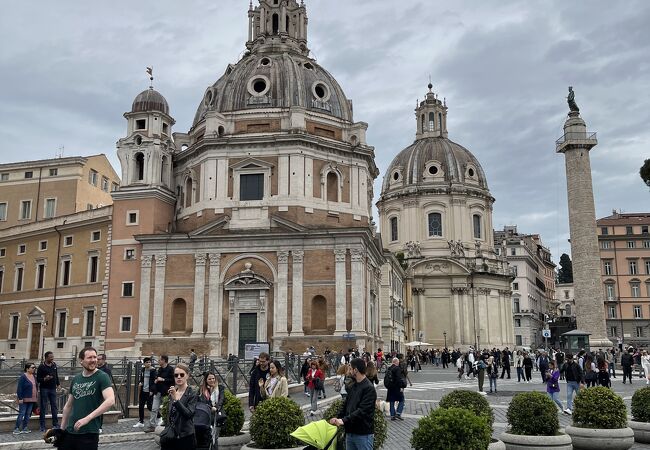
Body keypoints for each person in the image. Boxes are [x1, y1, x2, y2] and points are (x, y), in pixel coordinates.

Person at [60, 347, 115, 450]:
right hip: (70, 430)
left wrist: (87, 418)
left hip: (89, 432)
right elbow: (68, 405)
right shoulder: (76, 379)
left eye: (95, 357)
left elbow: (110, 400)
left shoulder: (102, 376)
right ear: (81, 361)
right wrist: (62, 429)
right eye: (89, 357)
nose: (94, 360)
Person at [330, 358, 377, 450]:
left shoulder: (369, 388)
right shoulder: (353, 385)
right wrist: (338, 418)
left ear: (356, 370)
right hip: (350, 432)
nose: (349, 371)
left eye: (350, 368)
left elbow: (363, 411)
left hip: (363, 434)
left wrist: (344, 420)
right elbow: (346, 405)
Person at [161, 363, 197, 450]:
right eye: (176, 375)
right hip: (171, 435)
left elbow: (188, 414)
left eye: (182, 374)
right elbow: (169, 414)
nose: (179, 377)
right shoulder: (173, 392)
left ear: (187, 376)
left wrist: (176, 400)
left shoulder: (192, 393)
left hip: (185, 436)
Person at [196, 371, 225, 449]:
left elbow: (221, 400)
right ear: (206, 380)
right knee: (207, 438)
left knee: (214, 437)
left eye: (213, 378)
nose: (212, 380)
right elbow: (199, 401)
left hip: (217, 416)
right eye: (209, 379)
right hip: (205, 416)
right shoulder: (202, 390)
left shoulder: (220, 388)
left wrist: (216, 407)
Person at [148, 355, 174, 432]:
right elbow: (157, 378)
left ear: (164, 361)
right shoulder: (159, 369)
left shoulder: (170, 369)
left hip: (166, 392)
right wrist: (156, 380)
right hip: (157, 391)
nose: (158, 361)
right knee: (154, 408)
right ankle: (152, 425)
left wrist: (163, 379)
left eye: (159, 360)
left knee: (166, 409)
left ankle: (165, 423)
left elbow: (172, 380)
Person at [37, 351, 61, 432]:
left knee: (54, 406)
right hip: (44, 389)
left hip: (53, 389)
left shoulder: (54, 365)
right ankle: (42, 426)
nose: (52, 358)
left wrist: (58, 384)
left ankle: (55, 424)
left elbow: (56, 375)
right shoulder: (41, 367)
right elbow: (38, 379)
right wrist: (44, 379)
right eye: (50, 357)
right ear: (46, 357)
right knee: (43, 407)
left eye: (52, 356)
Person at [14, 363, 38, 434]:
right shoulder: (23, 376)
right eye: (32, 367)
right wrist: (20, 398)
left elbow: (36, 386)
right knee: (22, 413)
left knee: (28, 414)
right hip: (24, 399)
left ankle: (25, 428)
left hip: (32, 399)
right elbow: (19, 388)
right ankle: (16, 428)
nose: (34, 369)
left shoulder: (34, 376)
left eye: (34, 368)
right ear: (27, 369)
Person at [134, 357, 156, 428]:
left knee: (150, 406)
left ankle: (159, 416)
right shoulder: (143, 370)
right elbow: (141, 378)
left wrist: (152, 390)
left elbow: (154, 382)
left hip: (149, 391)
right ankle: (141, 421)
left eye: (149, 362)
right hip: (143, 391)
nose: (149, 363)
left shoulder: (153, 370)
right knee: (141, 406)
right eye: (147, 362)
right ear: (144, 363)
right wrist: (141, 382)